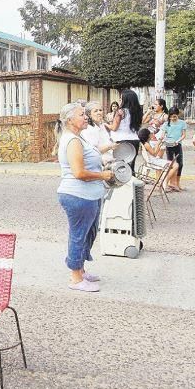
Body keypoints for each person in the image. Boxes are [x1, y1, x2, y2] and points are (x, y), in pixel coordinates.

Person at [57, 102, 114, 292]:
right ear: (70, 120)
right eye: (82, 114)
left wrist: (101, 169)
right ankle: (75, 278)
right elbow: (79, 173)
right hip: (78, 195)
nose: (86, 117)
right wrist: (102, 175)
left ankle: (80, 270)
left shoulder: (78, 137)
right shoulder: (72, 141)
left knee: (89, 234)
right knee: (78, 236)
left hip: (90, 195)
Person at [104, 89, 142, 172]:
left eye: (121, 98)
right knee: (130, 168)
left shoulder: (120, 112)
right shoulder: (137, 111)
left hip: (121, 141)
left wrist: (105, 124)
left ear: (126, 99)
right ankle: (133, 183)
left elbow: (114, 128)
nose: (120, 100)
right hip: (135, 140)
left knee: (120, 167)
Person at [161, 106, 186, 191]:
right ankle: (170, 183)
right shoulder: (166, 124)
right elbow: (163, 135)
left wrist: (178, 141)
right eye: (171, 116)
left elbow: (183, 135)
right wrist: (163, 139)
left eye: (174, 116)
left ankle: (177, 183)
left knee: (180, 164)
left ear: (177, 115)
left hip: (177, 144)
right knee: (170, 164)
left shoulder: (182, 123)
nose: (172, 118)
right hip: (169, 145)